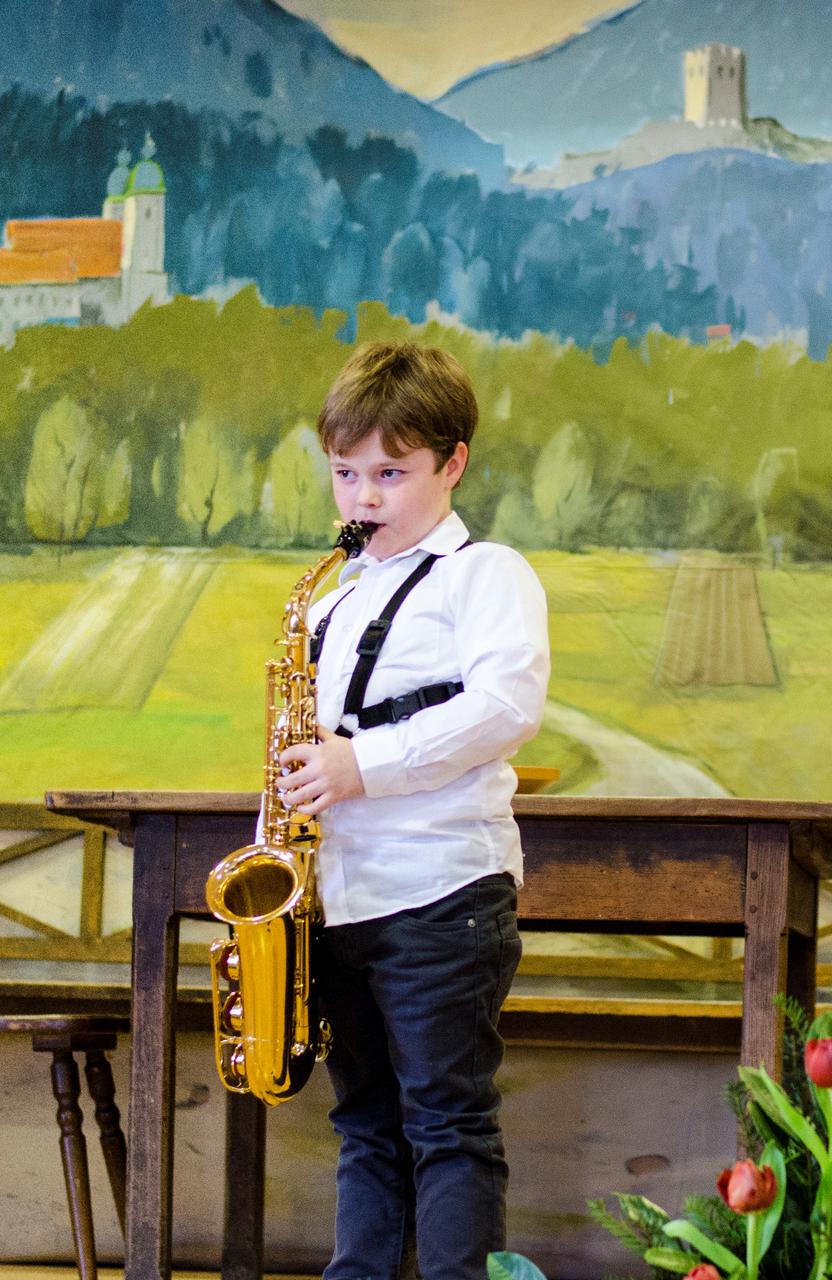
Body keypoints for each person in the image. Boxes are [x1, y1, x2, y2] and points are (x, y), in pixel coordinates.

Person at [274, 341, 551, 1280]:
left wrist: (361, 765)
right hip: (341, 898)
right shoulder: (333, 602)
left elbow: (506, 707)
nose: (363, 498)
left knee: (447, 1126)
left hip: (441, 894)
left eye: (390, 474)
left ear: (452, 462)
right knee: (365, 1126)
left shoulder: (488, 574)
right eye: (345, 473)